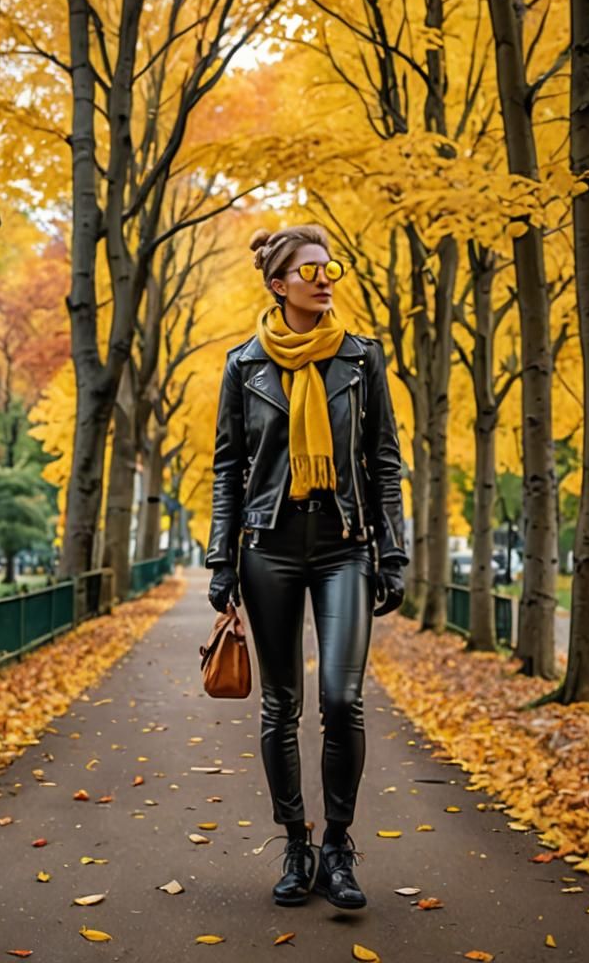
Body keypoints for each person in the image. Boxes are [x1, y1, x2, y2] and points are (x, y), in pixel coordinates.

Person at [205, 224, 409, 910]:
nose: (325, 279)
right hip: (268, 546)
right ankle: (295, 841)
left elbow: (383, 461)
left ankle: (338, 849)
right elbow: (229, 468)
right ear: (278, 283)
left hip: (345, 544)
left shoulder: (360, 360)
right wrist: (220, 558)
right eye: (311, 270)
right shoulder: (244, 366)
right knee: (281, 703)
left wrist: (394, 550)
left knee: (342, 699)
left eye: (331, 268)